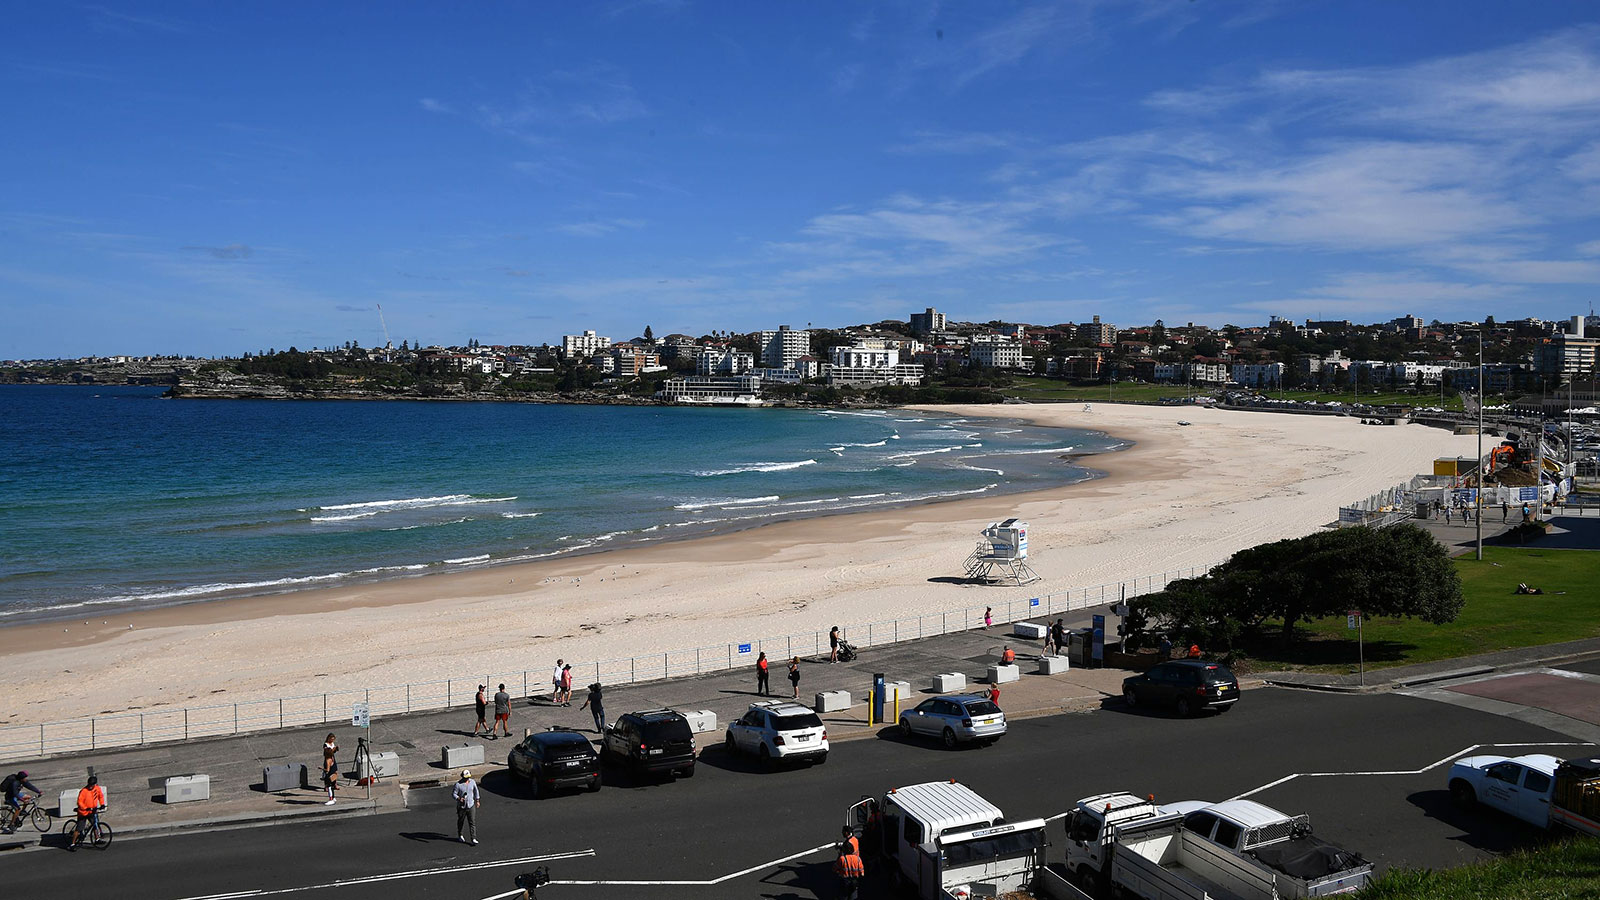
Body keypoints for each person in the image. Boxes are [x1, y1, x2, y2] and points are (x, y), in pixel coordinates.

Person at [70, 775, 105, 850]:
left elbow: (100, 796)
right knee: (79, 828)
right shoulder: (83, 791)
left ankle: (97, 839)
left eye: (92, 785)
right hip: (83, 812)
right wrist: (86, 808)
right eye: (89, 785)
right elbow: (80, 802)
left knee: (95, 824)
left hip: (92, 811)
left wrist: (102, 804)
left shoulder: (97, 789)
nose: (90, 786)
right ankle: (72, 844)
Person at [454, 769, 480, 845]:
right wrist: (459, 798)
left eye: (468, 777)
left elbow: (476, 791)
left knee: (472, 822)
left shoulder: (472, 782)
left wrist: (477, 800)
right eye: (466, 777)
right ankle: (460, 835)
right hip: (462, 807)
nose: (467, 779)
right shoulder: (458, 784)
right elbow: (454, 794)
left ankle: (473, 838)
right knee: (461, 821)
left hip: (471, 805)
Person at [322, 733, 340, 805]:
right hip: (331, 761)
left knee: (329, 784)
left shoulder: (328, 760)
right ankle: (333, 797)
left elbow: (327, 770)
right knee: (331, 783)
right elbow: (327, 750)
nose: (332, 740)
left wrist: (322, 769)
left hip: (330, 764)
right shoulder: (325, 745)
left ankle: (331, 798)